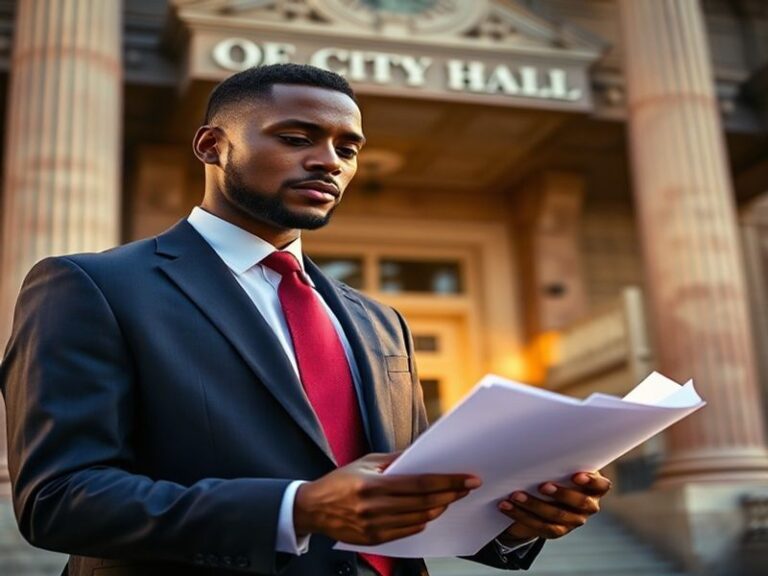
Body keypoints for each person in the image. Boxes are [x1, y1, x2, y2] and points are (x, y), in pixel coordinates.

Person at [1, 64, 610, 576]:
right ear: (212, 146)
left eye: (348, 148)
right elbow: (59, 499)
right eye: (297, 138)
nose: (331, 162)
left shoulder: (379, 321)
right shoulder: (91, 287)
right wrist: (297, 509)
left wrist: (516, 518)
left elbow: (408, 492)